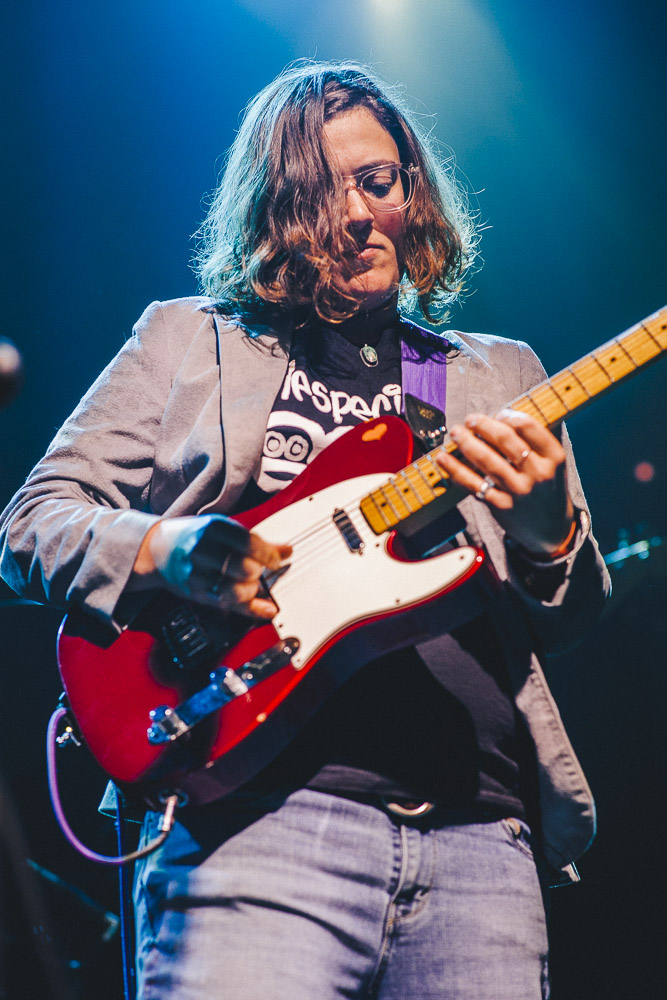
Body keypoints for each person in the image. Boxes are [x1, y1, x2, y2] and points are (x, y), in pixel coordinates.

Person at [0, 61, 609, 999]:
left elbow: (569, 619)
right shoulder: (187, 338)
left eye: (379, 181)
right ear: (276, 212)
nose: (360, 214)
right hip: (251, 822)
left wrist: (547, 533)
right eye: (325, 193)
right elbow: (31, 523)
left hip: (481, 838)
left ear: (412, 190)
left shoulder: (498, 375)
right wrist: (170, 549)